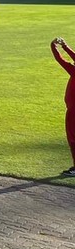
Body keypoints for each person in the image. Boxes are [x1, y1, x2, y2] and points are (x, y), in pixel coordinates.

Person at [51, 38, 75, 177]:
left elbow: (59, 60)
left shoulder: (73, 70)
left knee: (73, 139)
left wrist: (53, 46)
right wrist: (65, 47)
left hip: (73, 112)